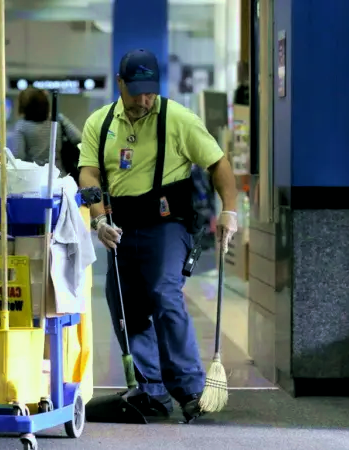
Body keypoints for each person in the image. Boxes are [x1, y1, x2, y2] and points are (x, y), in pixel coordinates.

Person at [77, 49, 238, 422]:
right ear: (120, 84)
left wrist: (229, 208)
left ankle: (190, 389)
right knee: (124, 305)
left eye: (151, 91)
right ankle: (151, 390)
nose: (144, 99)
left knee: (164, 294)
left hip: (168, 223)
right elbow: (89, 173)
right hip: (120, 225)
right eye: (136, 92)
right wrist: (99, 218)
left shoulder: (178, 119)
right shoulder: (99, 124)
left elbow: (218, 163)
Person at [10, 87, 82, 174]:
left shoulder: (21, 126)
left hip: (34, 177)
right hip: (58, 175)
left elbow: (18, 156)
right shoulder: (58, 119)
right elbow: (78, 138)